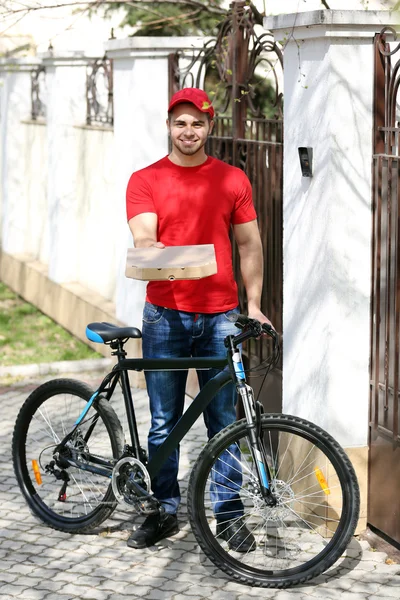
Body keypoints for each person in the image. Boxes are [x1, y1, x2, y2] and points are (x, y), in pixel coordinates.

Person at [125, 87, 272, 550]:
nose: (189, 131)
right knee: (164, 421)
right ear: (169, 126)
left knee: (224, 421)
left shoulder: (232, 180)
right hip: (165, 316)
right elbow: (144, 234)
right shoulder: (145, 179)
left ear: (210, 127)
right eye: (180, 123)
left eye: (198, 123)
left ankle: (229, 516)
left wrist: (253, 304)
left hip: (221, 318)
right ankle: (162, 508)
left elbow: (248, 244)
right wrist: (151, 249)